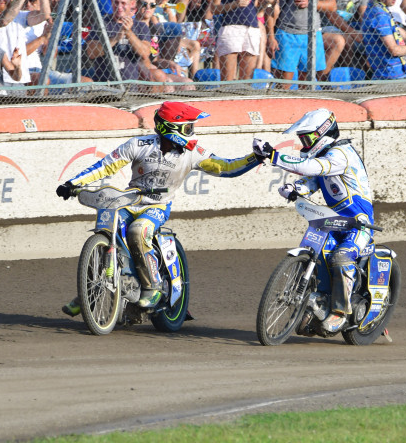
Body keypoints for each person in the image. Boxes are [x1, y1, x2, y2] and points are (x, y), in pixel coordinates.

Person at [58, 101, 261, 314]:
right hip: (130, 201)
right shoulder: (138, 145)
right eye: (188, 128)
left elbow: (225, 167)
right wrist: (73, 183)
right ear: (170, 128)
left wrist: (255, 158)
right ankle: (88, 292)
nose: (192, 133)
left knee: (138, 231)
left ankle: (152, 286)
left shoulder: (193, 152)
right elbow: (105, 166)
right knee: (106, 233)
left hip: (157, 207)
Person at [251, 108, 372, 334]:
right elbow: (314, 180)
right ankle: (320, 300)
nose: (304, 143)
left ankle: (339, 313)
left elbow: (311, 168)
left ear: (322, 133)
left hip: (358, 224)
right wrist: (296, 188)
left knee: (341, 257)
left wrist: (274, 155)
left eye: (307, 138)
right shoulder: (326, 156)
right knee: (318, 255)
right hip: (333, 221)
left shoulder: (340, 155)